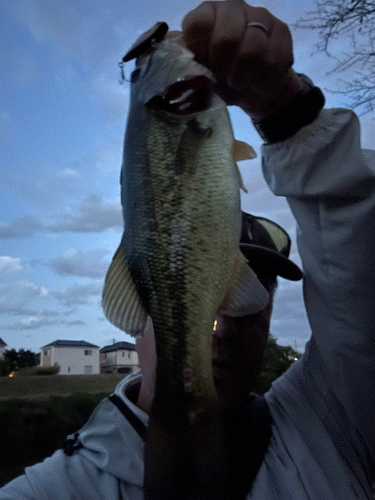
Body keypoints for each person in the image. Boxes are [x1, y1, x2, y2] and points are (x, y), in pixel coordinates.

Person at [1, 0, 375, 498]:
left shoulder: (336, 418)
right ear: (140, 305)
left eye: (255, 283)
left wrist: (291, 112)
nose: (225, 324)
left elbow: (361, 282)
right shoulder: (52, 490)